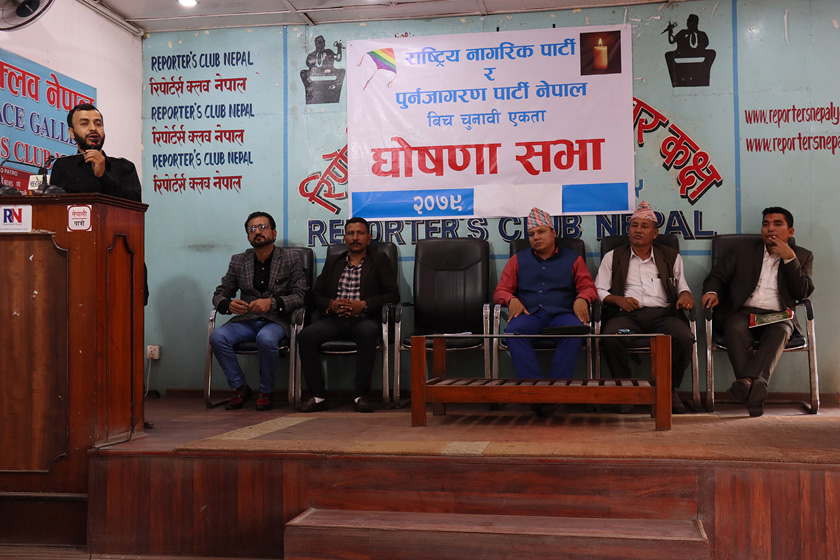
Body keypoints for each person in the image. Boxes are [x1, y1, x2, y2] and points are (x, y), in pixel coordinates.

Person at [702, 207, 814, 417]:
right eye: (766, 224)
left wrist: (790, 259)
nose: (770, 228)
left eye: (777, 224)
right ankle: (757, 384)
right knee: (733, 326)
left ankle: (746, 383)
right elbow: (716, 276)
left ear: (790, 232)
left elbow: (803, 292)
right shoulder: (743, 251)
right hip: (742, 313)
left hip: (778, 315)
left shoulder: (802, 255)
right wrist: (711, 292)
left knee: (782, 330)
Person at [594, 201, 695, 414]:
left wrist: (685, 294)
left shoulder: (671, 256)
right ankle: (625, 390)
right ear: (628, 230)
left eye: (644, 226)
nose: (638, 230)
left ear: (655, 233)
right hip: (627, 315)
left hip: (664, 316)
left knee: (684, 338)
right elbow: (599, 290)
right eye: (634, 225)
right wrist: (618, 300)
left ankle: (668, 389)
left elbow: (682, 286)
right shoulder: (613, 256)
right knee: (612, 337)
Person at [295, 217, 400, 413]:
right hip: (335, 320)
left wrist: (364, 305)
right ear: (344, 238)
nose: (355, 238)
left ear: (368, 238)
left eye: (360, 233)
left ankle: (360, 396)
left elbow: (393, 295)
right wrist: (331, 305)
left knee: (367, 334)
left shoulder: (379, 260)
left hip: (364, 320)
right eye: (351, 233)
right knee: (305, 336)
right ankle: (318, 396)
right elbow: (315, 295)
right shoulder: (334, 261)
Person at [210, 212, 307, 411]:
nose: (258, 232)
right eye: (252, 229)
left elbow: (300, 295)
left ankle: (265, 392)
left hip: (277, 320)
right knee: (218, 336)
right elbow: (221, 292)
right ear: (248, 237)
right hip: (246, 320)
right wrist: (227, 304)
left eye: (263, 227)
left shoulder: (291, 258)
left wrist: (272, 303)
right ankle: (240, 387)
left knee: (266, 338)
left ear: (274, 233)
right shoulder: (239, 260)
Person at [494, 207, 597, 387]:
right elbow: (500, 291)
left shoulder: (573, 259)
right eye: (531, 234)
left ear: (553, 232)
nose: (536, 237)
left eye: (541, 232)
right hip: (529, 315)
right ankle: (535, 388)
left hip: (562, 315)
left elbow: (588, 287)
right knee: (513, 332)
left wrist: (582, 298)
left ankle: (558, 388)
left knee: (575, 331)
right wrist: (511, 299)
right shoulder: (517, 260)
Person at [49, 103, 142, 202]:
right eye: (84, 124)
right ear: (72, 132)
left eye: (98, 124)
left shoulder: (124, 167)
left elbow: (135, 204)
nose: (93, 128)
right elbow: (57, 206)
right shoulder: (63, 167)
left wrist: (103, 176)